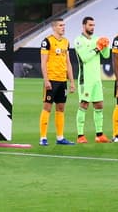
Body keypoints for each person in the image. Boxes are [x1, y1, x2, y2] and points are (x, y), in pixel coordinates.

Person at [71, 16, 111, 143]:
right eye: (90, 25)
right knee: (84, 104)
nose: (92, 28)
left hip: (96, 79)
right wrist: (98, 48)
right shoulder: (78, 41)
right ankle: (80, 136)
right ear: (84, 26)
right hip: (85, 79)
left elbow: (106, 55)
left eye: (93, 25)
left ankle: (99, 135)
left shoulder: (96, 39)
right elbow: (84, 58)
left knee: (99, 105)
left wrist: (105, 45)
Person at [38, 18, 74, 146]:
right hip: (51, 80)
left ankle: (60, 137)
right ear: (54, 28)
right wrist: (46, 79)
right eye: (60, 25)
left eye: (64, 25)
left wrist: (72, 81)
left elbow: (68, 63)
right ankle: (43, 137)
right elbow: (43, 62)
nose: (63, 27)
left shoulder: (66, 42)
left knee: (61, 108)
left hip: (62, 80)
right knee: (47, 107)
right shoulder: (47, 41)